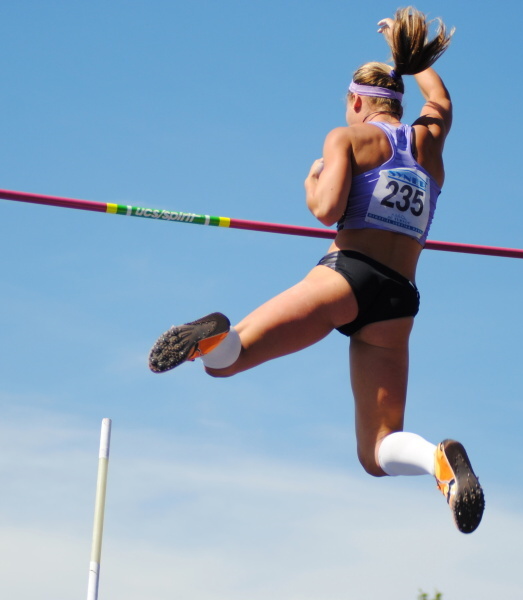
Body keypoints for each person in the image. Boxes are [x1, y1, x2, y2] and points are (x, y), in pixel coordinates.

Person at [148, 7, 484, 534]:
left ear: (357, 101)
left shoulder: (347, 139)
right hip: (398, 298)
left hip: (345, 278)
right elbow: (440, 100)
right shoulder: (428, 142)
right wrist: (409, 56)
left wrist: (311, 185)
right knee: (377, 450)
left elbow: (327, 210)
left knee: (227, 360)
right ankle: (436, 461)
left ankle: (213, 337)